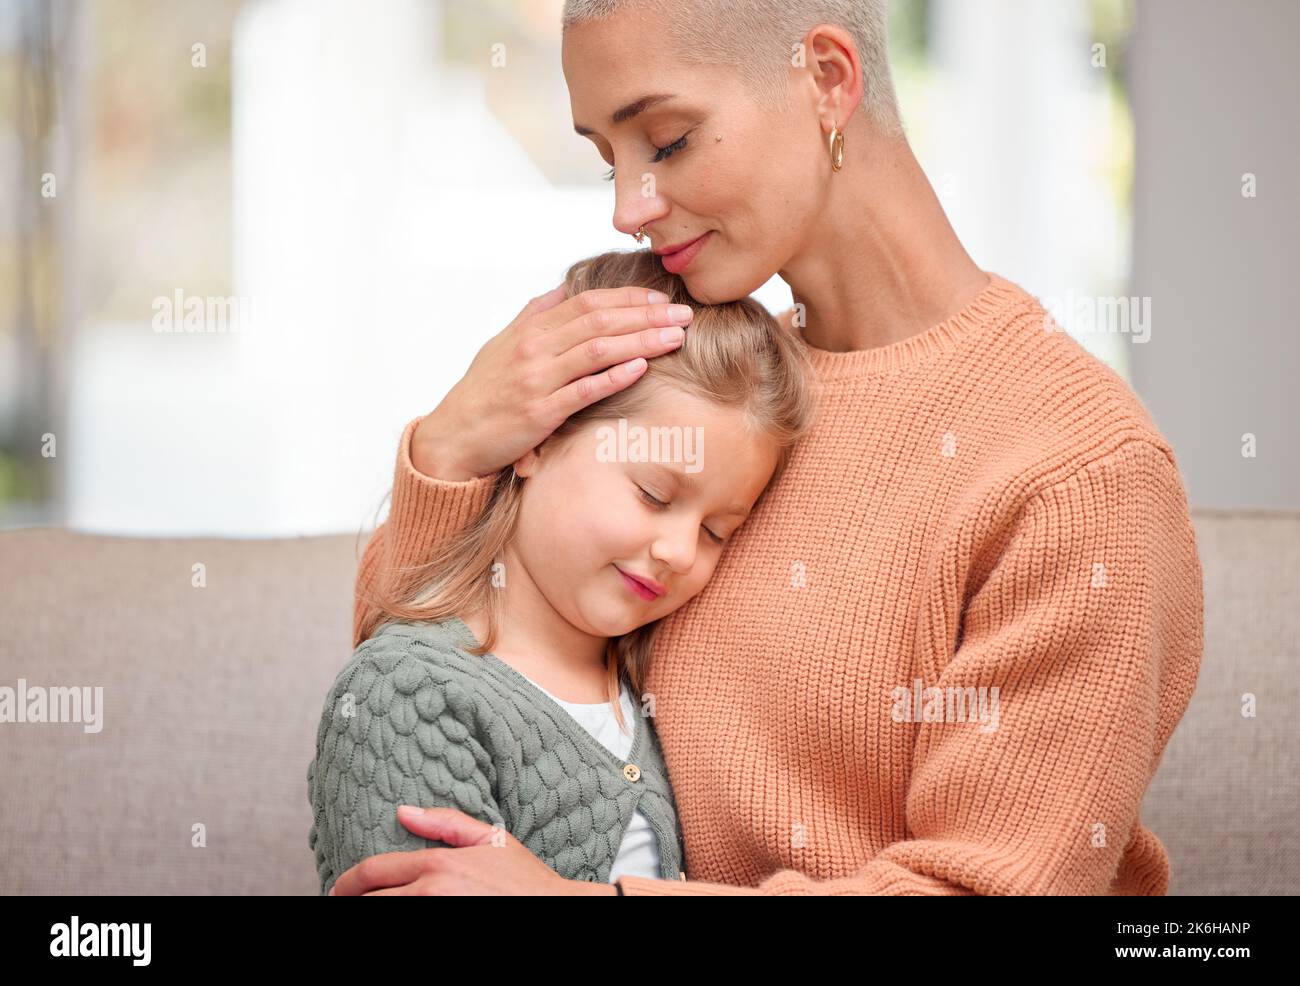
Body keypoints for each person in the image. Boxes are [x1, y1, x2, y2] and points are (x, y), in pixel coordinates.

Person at [329, 0, 1204, 896]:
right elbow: (406, 683)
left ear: (826, 80)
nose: (631, 210)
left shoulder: (1080, 474)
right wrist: (450, 447)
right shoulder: (717, 397)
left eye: (664, 141)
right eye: (607, 162)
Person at [309, 247, 817, 894]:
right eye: (654, 496)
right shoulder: (406, 691)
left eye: (718, 531)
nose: (682, 552)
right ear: (538, 443)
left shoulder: (643, 688)